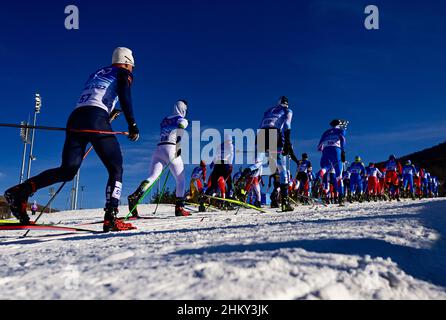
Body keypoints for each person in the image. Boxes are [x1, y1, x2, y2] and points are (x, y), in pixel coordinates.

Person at [4, 47, 140, 232]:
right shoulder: (123, 71)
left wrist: (106, 115)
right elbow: (125, 94)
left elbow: (95, 97)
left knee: (68, 170)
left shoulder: (97, 72)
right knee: (116, 167)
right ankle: (111, 217)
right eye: (132, 66)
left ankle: (21, 191)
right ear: (126, 62)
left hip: (76, 117)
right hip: (96, 118)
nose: (132, 70)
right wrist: (132, 123)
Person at [128, 100, 190, 218]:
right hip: (171, 148)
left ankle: (135, 195)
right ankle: (179, 208)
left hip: (158, 149)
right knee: (180, 180)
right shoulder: (182, 120)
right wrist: (178, 146)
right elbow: (180, 129)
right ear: (183, 109)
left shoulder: (165, 119)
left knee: (152, 177)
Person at [241, 96, 298, 212]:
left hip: (261, 134)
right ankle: (285, 203)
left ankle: (241, 179)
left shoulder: (268, 110)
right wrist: (287, 141)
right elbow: (287, 124)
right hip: (274, 134)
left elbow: (261, 125)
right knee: (282, 170)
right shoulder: (287, 110)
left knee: (257, 164)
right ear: (287, 103)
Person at [317, 119, 348, 205]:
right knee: (339, 176)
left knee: (325, 168)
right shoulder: (340, 130)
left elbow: (319, 147)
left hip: (326, 151)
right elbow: (342, 139)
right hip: (336, 150)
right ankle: (341, 198)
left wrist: (325, 149)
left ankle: (319, 177)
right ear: (338, 124)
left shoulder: (325, 132)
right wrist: (343, 151)